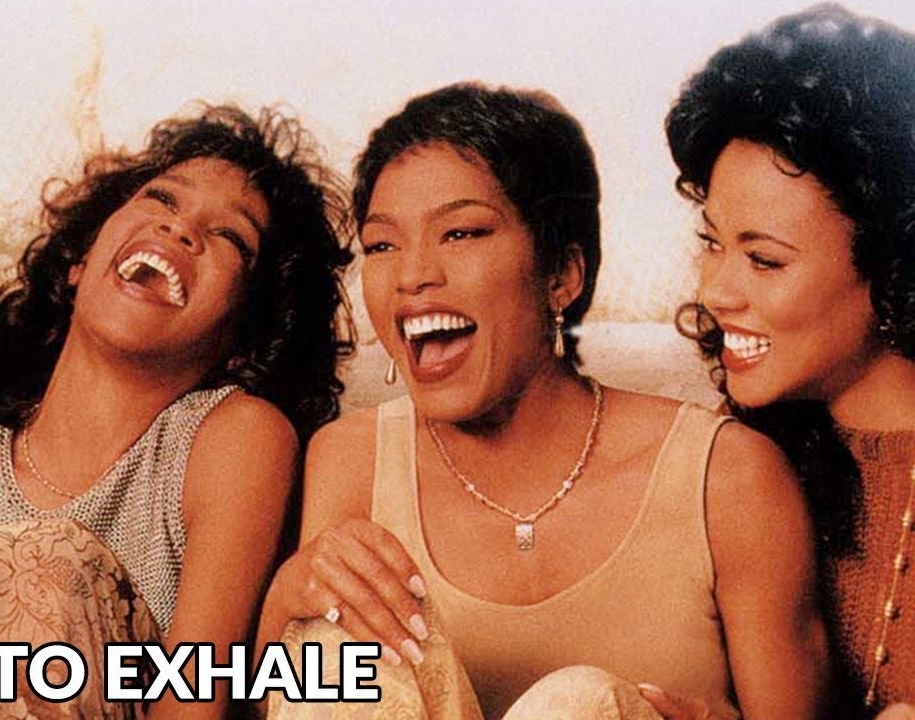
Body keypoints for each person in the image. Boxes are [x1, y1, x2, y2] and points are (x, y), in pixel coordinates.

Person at [256, 83, 828, 719]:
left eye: (461, 233)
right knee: (334, 645)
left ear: (562, 275)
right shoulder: (349, 458)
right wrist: (286, 596)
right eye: (382, 245)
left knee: (577, 705)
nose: (412, 275)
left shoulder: (729, 477)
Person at [0, 105, 352, 718]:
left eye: (231, 238)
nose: (181, 229)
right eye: (162, 199)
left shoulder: (235, 441)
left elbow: (192, 705)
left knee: (53, 564)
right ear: (79, 262)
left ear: (248, 336)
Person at [663, 5, 915, 718]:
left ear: (892, 267)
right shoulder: (737, 458)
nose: (715, 292)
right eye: (712, 242)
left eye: (764, 259)